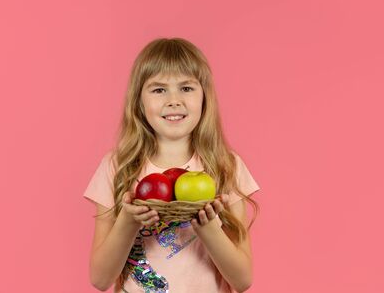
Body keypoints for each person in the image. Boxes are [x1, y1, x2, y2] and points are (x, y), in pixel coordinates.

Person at [83, 37, 261, 293]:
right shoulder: (117, 167)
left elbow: (242, 280)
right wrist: (128, 222)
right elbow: (100, 279)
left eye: (186, 88)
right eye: (159, 89)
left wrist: (208, 227)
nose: (173, 100)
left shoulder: (226, 166)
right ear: (139, 101)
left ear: (204, 98)